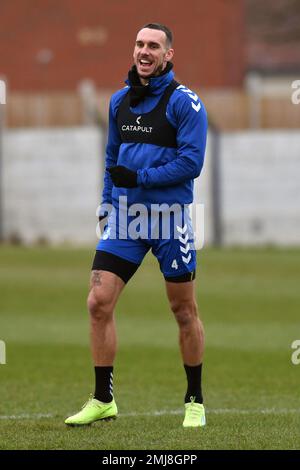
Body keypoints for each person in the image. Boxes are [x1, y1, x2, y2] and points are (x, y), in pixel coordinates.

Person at [65, 23, 207, 428]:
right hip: (125, 220)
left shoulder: (186, 103)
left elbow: (191, 164)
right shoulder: (118, 101)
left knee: (183, 311)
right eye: (140, 44)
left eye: (154, 46)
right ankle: (103, 399)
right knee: (97, 302)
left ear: (168, 55)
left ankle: (194, 400)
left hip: (169, 220)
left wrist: (141, 179)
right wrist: (107, 205)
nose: (145, 51)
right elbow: (112, 159)